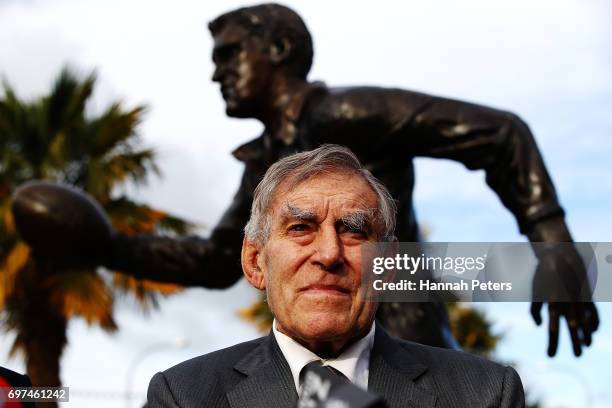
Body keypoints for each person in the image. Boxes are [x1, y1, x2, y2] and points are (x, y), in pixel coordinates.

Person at [11, 3, 597, 354]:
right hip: (326, 362)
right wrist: (110, 247)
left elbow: (500, 133)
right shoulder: (267, 159)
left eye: (230, 54)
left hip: (403, 347)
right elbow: (218, 261)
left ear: (281, 50)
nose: (217, 73)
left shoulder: (345, 114)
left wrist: (554, 248)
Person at [145, 145, 525, 408]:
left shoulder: (486, 395)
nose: (328, 253)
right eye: (299, 228)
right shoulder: (183, 396)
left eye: (354, 230)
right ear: (255, 261)